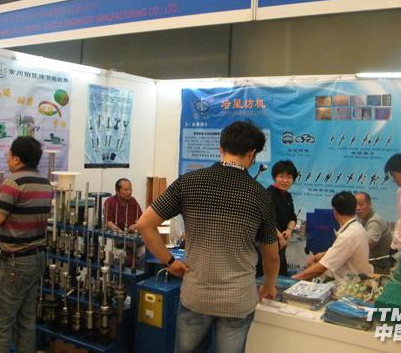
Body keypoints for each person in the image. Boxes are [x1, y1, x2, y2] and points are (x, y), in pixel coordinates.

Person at [135, 120, 280, 353]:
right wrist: (269, 285)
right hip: (238, 298)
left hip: (197, 293)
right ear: (252, 154)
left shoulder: (189, 182)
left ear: (221, 148)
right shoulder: (261, 196)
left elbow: (144, 225)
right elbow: (271, 255)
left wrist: (170, 262)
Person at [0, 136, 53, 353]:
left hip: (15, 262)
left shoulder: (13, 182)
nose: (7, 158)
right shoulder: (45, 183)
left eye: (9, 154)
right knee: (26, 319)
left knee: (0, 323)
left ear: (17, 159)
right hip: (37, 257)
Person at [292, 191, 373, 281]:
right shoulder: (357, 227)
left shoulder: (348, 235)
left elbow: (321, 267)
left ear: (335, 211)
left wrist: (292, 280)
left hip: (349, 284)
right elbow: (343, 249)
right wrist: (323, 254)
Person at [257, 160, 298, 276]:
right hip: (268, 243)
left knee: (281, 275)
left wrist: (289, 230)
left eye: (289, 177)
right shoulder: (268, 194)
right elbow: (265, 219)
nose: (285, 180)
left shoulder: (287, 196)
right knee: (266, 276)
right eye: (281, 176)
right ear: (275, 177)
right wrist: (279, 236)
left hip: (281, 243)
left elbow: (292, 216)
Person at [355, 192, 392, 273]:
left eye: (361, 204)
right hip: (370, 263)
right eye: (355, 205)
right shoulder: (363, 219)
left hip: (379, 267)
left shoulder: (375, 221)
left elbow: (367, 245)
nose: (357, 208)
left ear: (370, 204)